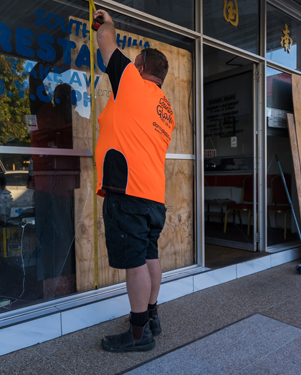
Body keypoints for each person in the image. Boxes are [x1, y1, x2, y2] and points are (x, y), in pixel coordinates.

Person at [93, 9, 175, 352]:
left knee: (135, 264)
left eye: (133, 61)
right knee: (149, 256)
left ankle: (138, 333)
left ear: (139, 68)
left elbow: (105, 40)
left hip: (128, 193)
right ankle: (152, 315)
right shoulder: (164, 107)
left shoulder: (130, 82)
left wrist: (104, 21)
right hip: (154, 196)